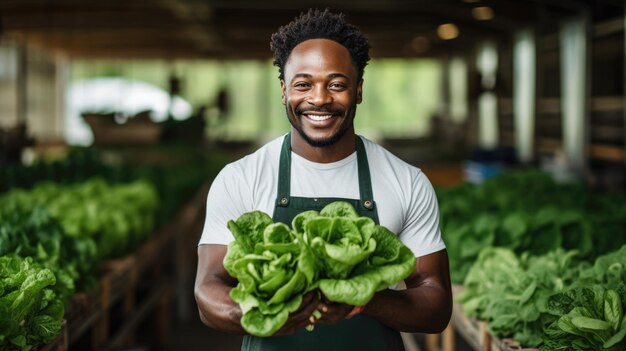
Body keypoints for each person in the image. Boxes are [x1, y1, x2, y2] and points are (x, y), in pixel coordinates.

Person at [194, 8, 452, 351]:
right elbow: (207, 289)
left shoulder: (407, 181)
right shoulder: (241, 178)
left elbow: (436, 305)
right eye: (303, 85)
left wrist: (362, 300)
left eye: (336, 84)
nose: (319, 99)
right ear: (284, 90)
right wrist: (273, 312)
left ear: (358, 90)